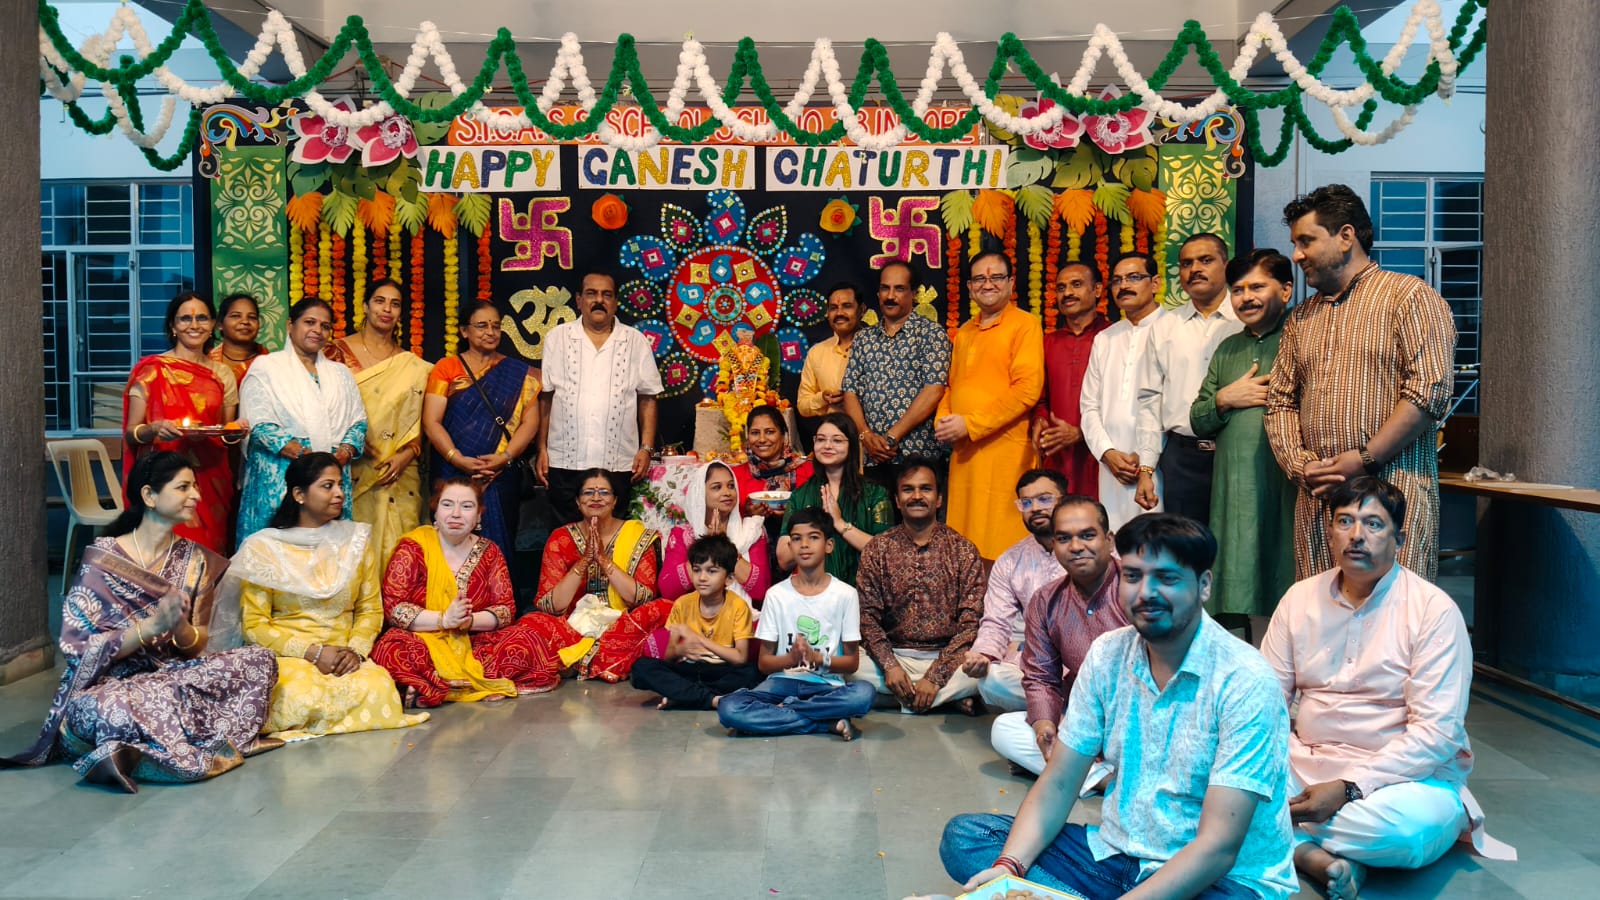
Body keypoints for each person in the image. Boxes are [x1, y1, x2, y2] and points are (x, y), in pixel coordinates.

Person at [940, 514, 1297, 900]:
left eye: (1167, 578)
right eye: (1133, 576)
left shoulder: (1244, 679)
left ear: (1204, 584)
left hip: (1220, 878)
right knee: (970, 837)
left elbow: (1218, 848)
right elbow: (1060, 781)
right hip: (1117, 855)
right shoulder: (1108, 654)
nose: (1146, 593)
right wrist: (1008, 870)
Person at [1261, 477, 1513, 899]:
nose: (1356, 535)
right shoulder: (1298, 599)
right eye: (1345, 521)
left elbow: (1437, 734)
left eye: (1374, 524)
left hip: (1403, 783)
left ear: (1400, 538)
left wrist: (1349, 787)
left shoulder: (1433, 611)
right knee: (1213, 779)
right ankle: (1314, 856)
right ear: (1329, 532)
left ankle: (1288, 839)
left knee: (1404, 833)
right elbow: (1265, 700)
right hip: (1304, 764)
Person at [2, 452, 278, 793]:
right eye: (183, 487)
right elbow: (78, 649)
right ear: (149, 495)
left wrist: (179, 627)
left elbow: (196, 647)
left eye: (195, 487)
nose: (196, 496)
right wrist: (149, 628)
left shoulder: (197, 561)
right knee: (109, 708)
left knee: (259, 660)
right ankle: (158, 739)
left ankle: (134, 745)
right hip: (110, 687)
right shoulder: (103, 558)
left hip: (170, 678)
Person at [1266, 184, 1457, 581]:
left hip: (1394, 493)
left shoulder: (1409, 297)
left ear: (1345, 236)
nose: (1296, 255)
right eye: (1295, 244)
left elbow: (1430, 391)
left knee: (1395, 612)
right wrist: (1302, 466)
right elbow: (1280, 402)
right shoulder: (1301, 318)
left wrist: (1366, 458)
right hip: (1320, 503)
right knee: (1321, 609)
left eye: (1306, 241)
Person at [229, 453, 428, 740]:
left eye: (339, 485)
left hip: (345, 655)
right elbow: (254, 625)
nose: (339, 493)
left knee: (378, 686)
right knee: (297, 693)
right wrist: (313, 653)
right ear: (299, 494)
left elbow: (370, 609)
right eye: (327, 486)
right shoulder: (263, 548)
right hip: (289, 656)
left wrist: (355, 651)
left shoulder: (355, 541)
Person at [370, 478, 563, 707]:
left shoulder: (490, 552)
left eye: (467, 506)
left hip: (475, 641)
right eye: (447, 504)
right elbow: (394, 607)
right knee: (391, 648)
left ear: (479, 515)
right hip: (422, 638)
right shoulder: (413, 547)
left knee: (526, 640)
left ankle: (427, 684)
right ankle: (444, 682)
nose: (456, 514)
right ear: (436, 510)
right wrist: (444, 620)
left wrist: (468, 621)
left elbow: (505, 610)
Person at [1191, 250, 1298, 620]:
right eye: (1237, 290)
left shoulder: (1303, 339)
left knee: (1286, 573)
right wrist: (1224, 399)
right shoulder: (1228, 349)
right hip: (1234, 488)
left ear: (1286, 290)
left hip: (1286, 484)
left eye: (1257, 287)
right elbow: (1198, 419)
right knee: (1236, 577)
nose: (1246, 298)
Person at [988, 496, 1128, 777]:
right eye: (1064, 538)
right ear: (1054, 544)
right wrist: (1045, 726)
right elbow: (1041, 676)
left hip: (1139, 720)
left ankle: (1079, 773)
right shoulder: (1046, 600)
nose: (1075, 547)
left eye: (1087, 535)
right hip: (1082, 719)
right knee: (1004, 730)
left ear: (1109, 540)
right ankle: (1104, 780)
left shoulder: (1137, 587)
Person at [717, 509, 877, 739]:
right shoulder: (776, 595)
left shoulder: (846, 595)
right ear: (790, 546)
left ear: (829, 545)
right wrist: (790, 659)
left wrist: (818, 659)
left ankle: (784, 713)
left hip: (826, 686)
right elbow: (764, 663)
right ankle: (825, 723)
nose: (804, 545)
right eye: (796, 538)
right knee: (729, 708)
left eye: (813, 537)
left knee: (863, 694)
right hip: (781, 683)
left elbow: (851, 663)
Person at [851, 461, 985, 714]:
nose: (916, 496)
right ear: (897, 500)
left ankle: (898, 699)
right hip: (892, 658)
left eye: (925, 489)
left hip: (950, 660)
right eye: (907, 489)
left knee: (988, 673)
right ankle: (945, 700)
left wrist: (936, 676)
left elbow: (971, 623)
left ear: (939, 499)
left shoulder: (963, 550)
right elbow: (867, 617)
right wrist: (890, 665)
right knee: (847, 665)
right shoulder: (878, 549)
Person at [936, 250, 1046, 560]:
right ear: (969, 287)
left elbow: (1027, 390)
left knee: (1004, 549)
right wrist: (943, 420)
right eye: (980, 279)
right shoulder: (965, 332)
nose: (988, 284)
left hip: (1005, 453)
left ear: (1011, 283)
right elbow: (952, 386)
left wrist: (970, 424)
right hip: (965, 455)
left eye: (996, 277)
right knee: (965, 547)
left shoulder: (1025, 325)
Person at [537, 270, 663, 523]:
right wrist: (541, 448)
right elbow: (546, 397)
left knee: (613, 535)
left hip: (618, 461)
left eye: (607, 295)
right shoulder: (557, 338)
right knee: (567, 535)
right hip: (566, 461)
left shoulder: (635, 341)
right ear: (579, 300)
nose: (599, 300)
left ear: (615, 302)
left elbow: (648, 398)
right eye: (591, 293)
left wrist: (646, 449)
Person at [237, 298, 366, 542]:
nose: (317, 330)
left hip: (332, 474)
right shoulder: (267, 367)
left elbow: (358, 421)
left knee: (328, 555)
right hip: (280, 476)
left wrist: (342, 455)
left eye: (325, 326)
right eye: (309, 322)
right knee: (274, 552)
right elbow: (260, 425)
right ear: (290, 325)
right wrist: (310, 460)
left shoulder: (341, 373)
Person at [122, 291, 242, 552]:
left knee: (207, 553)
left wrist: (236, 432)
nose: (194, 325)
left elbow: (225, 431)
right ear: (173, 326)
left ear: (213, 325)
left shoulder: (222, 374)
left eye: (202, 318)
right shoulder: (152, 371)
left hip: (210, 476)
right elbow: (132, 432)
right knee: (168, 552)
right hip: (165, 478)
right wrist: (153, 429)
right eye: (185, 318)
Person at [324, 279, 432, 564]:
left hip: (400, 471)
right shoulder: (335, 354)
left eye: (395, 304)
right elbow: (320, 409)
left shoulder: (413, 366)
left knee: (402, 551)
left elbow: (421, 422)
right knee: (354, 552)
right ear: (365, 306)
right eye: (380, 301)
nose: (387, 309)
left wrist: (407, 455)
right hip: (351, 465)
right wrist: (352, 443)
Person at [1135, 234, 1242, 521]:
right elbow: (1150, 401)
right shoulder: (1164, 327)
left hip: (1237, 452)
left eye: (1205, 260)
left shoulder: (1245, 320)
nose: (1195, 269)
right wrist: (1146, 468)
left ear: (1226, 266)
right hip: (1182, 460)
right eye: (1186, 263)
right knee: (1185, 541)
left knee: (1236, 540)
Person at [520, 468, 663, 682]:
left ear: (615, 501)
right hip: (572, 627)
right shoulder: (561, 538)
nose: (596, 498)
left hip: (624, 626)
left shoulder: (639, 536)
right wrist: (584, 561)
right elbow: (551, 605)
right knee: (531, 623)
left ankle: (578, 662)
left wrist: (604, 560)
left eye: (604, 492)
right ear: (578, 501)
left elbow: (642, 598)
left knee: (662, 610)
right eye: (588, 492)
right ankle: (604, 661)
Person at [422, 300, 540, 559]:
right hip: (452, 471)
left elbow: (530, 423)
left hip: (500, 474)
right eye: (482, 326)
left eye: (496, 326)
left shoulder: (519, 373)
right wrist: (456, 458)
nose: (490, 332)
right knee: (450, 542)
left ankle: (498, 587)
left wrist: (505, 457)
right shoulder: (447, 368)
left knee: (499, 544)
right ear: (464, 331)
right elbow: (432, 422)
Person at [962, 469, 1068, 713]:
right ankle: (1066, 711)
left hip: (1086, 661)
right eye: (1026, 502)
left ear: (1064, 500)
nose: (1035, 508)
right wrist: (983, 655)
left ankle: (1055, 711)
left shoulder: (1087, 548)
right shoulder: (1010, 560)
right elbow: (996, 622)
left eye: (1044, 499)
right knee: (991, 681)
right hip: (1036, 662)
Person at [841, 261, 951, 491]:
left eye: (899, 289)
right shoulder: (863, 339)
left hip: (918, 457)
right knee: (876, 515)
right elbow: (850, 391)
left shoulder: (931, 334)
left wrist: (892, 437)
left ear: (914, 294)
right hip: (872, 458)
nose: (890, 296)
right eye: (885, 288)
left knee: (918, 514)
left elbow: (934, 389)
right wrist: (865, 436)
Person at [1080, 254, 1167, 530]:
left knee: (1157, 537)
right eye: (1117, 280)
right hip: (1112, 467)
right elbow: (1088, 406)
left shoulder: (1173, 330)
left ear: (1155, 283)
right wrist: (1107, 452)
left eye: (1133, 277)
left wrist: (1146, 458)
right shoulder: (1105, 338)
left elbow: (1176, 402)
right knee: (1115, 537)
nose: (1124, 286)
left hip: (1162, 462)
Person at [630, 534, 761, 711]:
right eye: (697, 570)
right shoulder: (682, 604)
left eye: (711, 571)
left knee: (753, 673)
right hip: (690, 670)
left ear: (729, 578)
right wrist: (679, 650)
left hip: (722, 670)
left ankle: (683, 696)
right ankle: (709, 699)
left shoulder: (738, 606)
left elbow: (740, 658)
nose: (702, 577)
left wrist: (700, 640)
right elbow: (669, 658)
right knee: (641, 668)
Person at [775, 413, 893, 582]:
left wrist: (839, 523)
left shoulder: (875, 494)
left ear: (852, 445)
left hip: (864, 591)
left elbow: (886, 554)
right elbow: (784, 560)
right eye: (821, 439)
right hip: (815, 591)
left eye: (837, 440)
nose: (827, 446)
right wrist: (814, 529)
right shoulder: (801, 495)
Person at [1033, 262, 1112, 497]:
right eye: (1061, 288)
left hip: (1104, 458)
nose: (1067, 293)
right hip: (1058, 456)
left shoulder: (1115, 337)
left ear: (1097, 290)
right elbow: (1041, 399)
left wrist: (1081, 433)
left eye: (1076, 285)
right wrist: (1040, 421)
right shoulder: (1048, 342)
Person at [659, 461, 771, 606]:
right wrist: (707, 548)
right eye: (717, 487)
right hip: (694, 615)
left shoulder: (751, 530)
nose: (727, 492)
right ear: (700, 493)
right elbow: (668, 590)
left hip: (742, 615)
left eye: (731, 486)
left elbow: (761, 589)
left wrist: (723, 547)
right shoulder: (683, 534)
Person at [733, 403, 814, 518]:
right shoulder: (735, 476)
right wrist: (746, 515)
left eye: (770, 432)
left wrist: (793, 514)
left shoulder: (809, 471)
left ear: (784, 436)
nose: (762, 439)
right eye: (755, 433)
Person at [796, 281, 864, 418]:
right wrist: (822, 398)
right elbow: (802, 405)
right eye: (833, 308)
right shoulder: (817, 352)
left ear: (861, 310)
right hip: (833, 430)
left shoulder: (876, 348)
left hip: (873, 430)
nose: (839, 313)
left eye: (847, 306)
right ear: (827, 313)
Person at [208, 291, 269, 387]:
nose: (245, 321)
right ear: (220, 324)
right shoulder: (206, 363)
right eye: (235, 316)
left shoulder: (269, 363)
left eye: (252, 317)